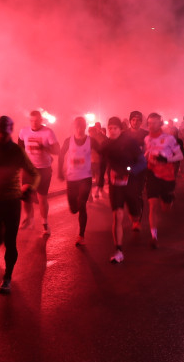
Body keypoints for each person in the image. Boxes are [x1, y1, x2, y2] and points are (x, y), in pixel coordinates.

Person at [0, 115, 41, 293]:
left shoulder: (17, 152)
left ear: (10, 132)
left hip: (12, 202)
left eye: (5, 133)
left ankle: (7, 278)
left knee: (11, 243)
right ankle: (0, 234)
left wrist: (30, 188)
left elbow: (35, 173)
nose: (1, 136)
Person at [89, 116, 143, 263]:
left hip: (130, 183)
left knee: (135, 214)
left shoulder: (130, 142)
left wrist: (130, 171)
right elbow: (101, 163)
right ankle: (118, 250)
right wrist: (100, 183)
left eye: (115, 128)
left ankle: (136, 218)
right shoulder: (106, 144)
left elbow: (142, 162)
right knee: (117, 216)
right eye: (110, 128)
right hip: (115, 185)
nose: (112, 131)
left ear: (120, 129)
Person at [143, 112, 184, 248]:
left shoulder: (169, 139)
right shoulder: (147, 139)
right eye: (149, 123)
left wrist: (166, 159)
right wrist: (143, 158)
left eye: (154, 122)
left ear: (160, 123)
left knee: (165, 208)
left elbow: (180, 156)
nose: (151, 125)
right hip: (152, 174)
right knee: (153, 205)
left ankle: (170, 197)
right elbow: (147, 153)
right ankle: (154, 237)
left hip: (167, 176)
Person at [17, 110, 59, 234]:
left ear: (41, 121)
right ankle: (28, 218)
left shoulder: (48, 132)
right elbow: (20, 148)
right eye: (31, 121)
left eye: (36, 121)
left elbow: (57, 150)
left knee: (42, 198)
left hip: (44, 169)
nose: (34, 123)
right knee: (24, 195)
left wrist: (45, 148)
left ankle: (45, 223)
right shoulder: (23, 131)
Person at [58, 116, 94, 246]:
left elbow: (102, 151)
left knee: (81, 204)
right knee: (73, 209)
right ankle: (77, 207)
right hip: (71, 178)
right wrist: (59, 171)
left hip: (85, 177)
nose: (79, 129)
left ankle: (81, 235)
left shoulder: (90, 141)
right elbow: (61, 155)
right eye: (77, 126)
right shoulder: (69, 141)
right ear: (74, 127)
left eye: (82, 126)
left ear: (85, 127)